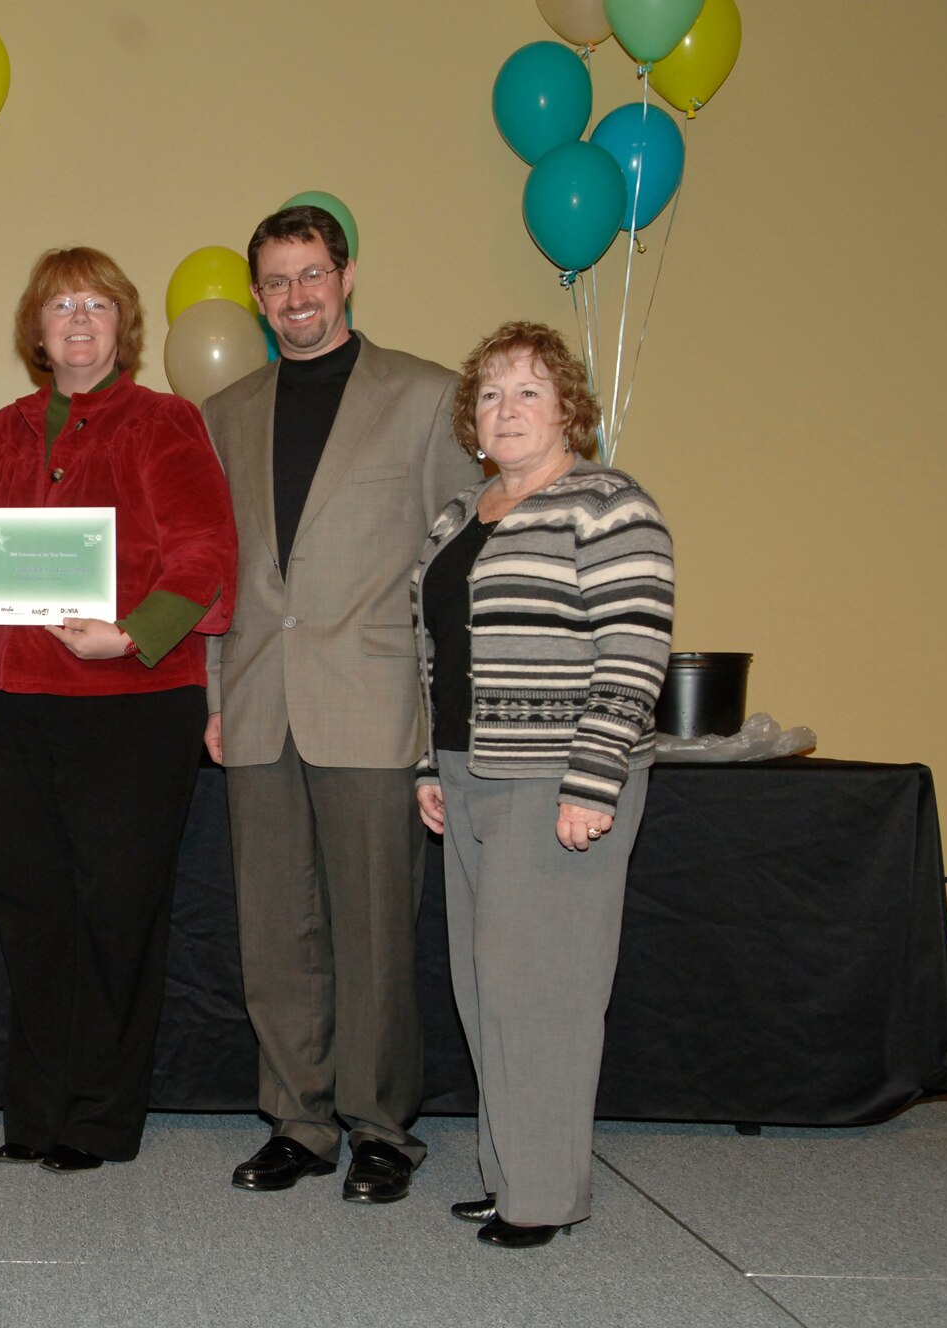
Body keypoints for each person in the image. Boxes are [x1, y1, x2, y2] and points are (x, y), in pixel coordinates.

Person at [0, 248, 236, 1172]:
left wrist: (134, 633)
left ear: (121, 324)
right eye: (60, 304)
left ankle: (100, 1119)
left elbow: (205, 554)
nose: (78, 318)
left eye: (97, 303)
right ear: (37, 327)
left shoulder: (165, 422)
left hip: (134, 704)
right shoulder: (3, 432)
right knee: (32, 912)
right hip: (21, 702)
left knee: (116, 913)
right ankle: (37, 1112)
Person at [202, 204, 479, 1203]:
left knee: (371, 932)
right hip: (255, 701)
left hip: (374, 701)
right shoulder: (224, 412)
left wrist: (445, 715)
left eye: (310, 275)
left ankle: (377, 1126)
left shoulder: (425, 397)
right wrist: (211, 688)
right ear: (256, 294)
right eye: (275, 282)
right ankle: (297, 1116)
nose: (294, 298)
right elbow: (215, 573)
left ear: (347, 275)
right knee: (274, 930)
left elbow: (454, 574)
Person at [413, 321, 673, 1247]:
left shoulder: (608, 504)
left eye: (528, 390)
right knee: (487, 991)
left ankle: (545, 1196)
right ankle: (512, 1173)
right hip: (466, 772)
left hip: (556, 777)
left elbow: (636, 652)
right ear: (472, 421)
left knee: (545, 995)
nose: (507, 408)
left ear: (568, 406)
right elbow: (436, 656)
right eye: (489, 394)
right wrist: (426, 767)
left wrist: (592, 781)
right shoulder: (458, 516)